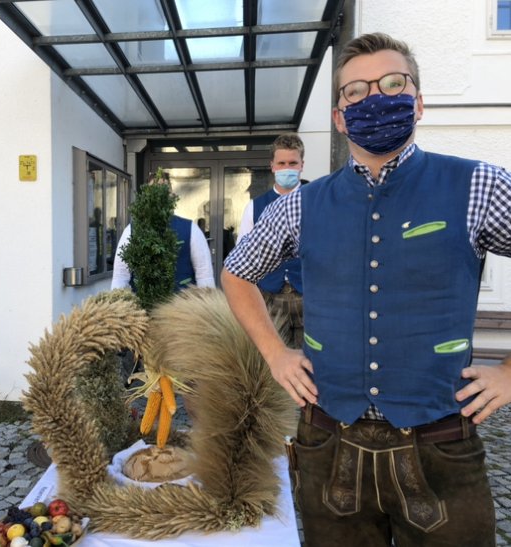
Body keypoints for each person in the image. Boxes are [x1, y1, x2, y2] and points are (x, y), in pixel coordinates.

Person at [222, 33, 511, 547]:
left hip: (440, 444)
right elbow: (237, 271)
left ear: (418, 102)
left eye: (392, 83)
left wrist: (510, 374)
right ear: (339, 117)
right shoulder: (301, 205)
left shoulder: (478, 185)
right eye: (355, 91)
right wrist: (276, 355)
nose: (374, 98)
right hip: (330, 444)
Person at [237, 133, 305, 348]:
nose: (287, 168)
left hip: (309, 298)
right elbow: (242, 258)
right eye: (281, 163)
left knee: (311, 361)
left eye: (292, 163)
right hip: (269, 298)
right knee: (273, 360)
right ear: (272, 166)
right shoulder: (255, 207)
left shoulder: (316, 200)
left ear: (302, 165)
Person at [111, 215, 215, 290]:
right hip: (142, 309)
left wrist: (207, 309)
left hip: (183, 308)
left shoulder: (191, 229)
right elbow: (120, 275)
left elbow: (204, 274)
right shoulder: (131, 230)